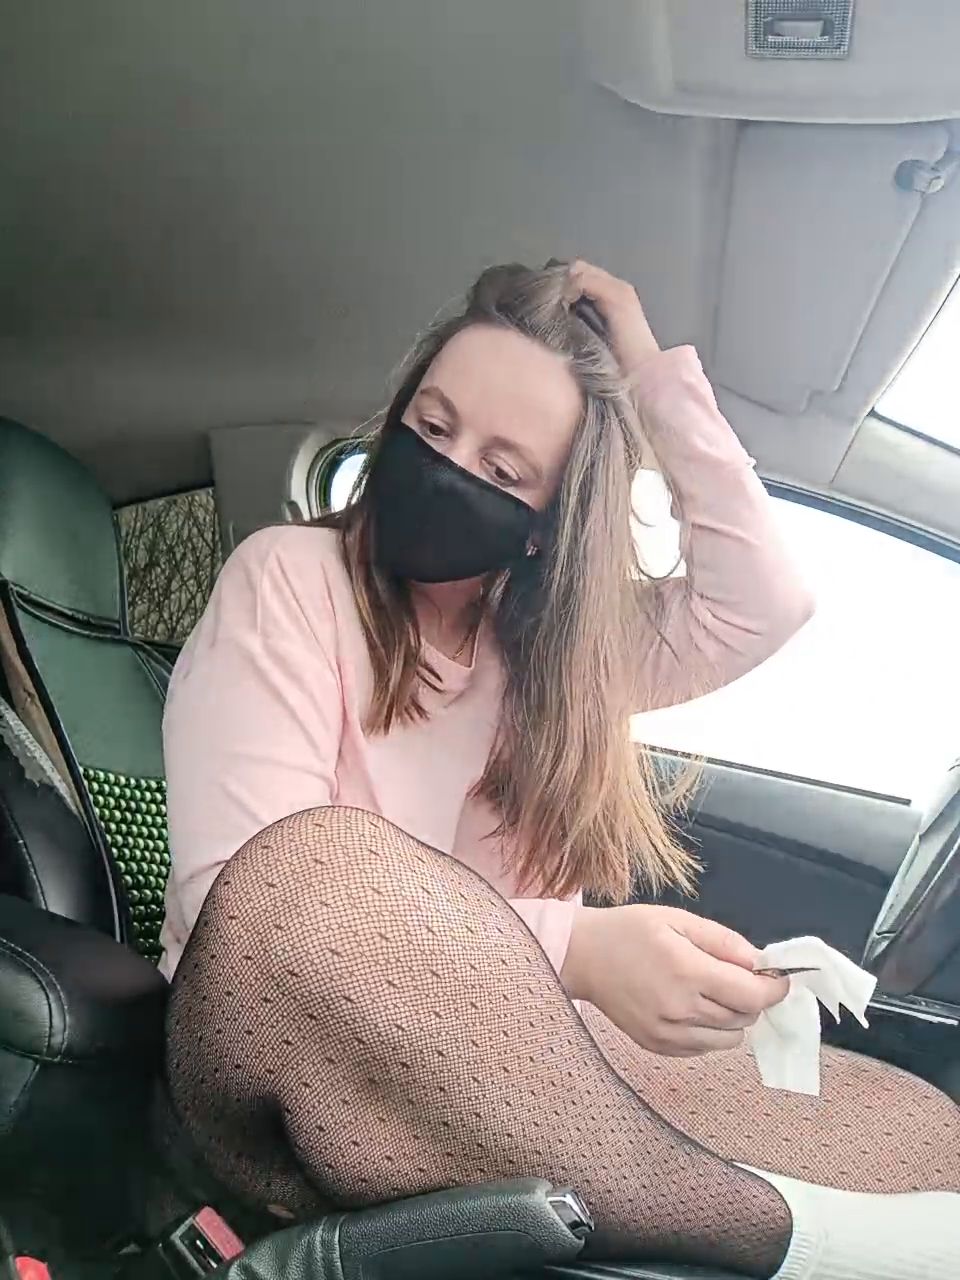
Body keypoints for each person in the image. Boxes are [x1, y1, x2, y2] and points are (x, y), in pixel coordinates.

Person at [161, 261, 960, 1280]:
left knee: (916, 1135)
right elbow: (256, 909)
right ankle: (776, 1233)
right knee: (318, 867)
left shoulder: (552, 653)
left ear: (544, 524)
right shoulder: (288, 577)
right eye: (433, 427)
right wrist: (576, 950)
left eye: (503, 470)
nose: (447, 468)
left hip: (499, 1051)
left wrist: (648, 374)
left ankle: (753, 1205)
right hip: (274, 1067)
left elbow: (764, 598)